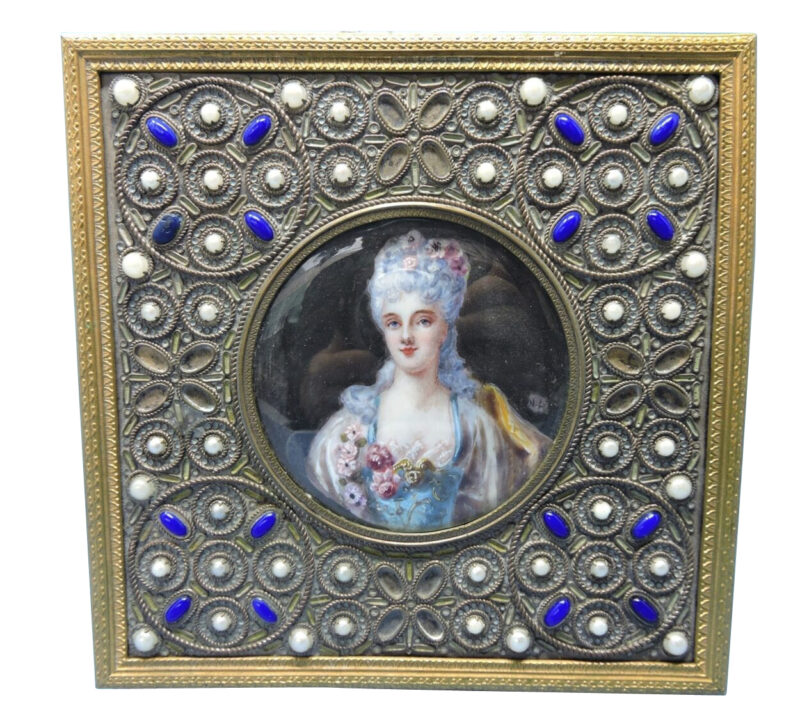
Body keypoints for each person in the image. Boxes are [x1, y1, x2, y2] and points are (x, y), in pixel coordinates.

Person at [306, 229, 551, 531]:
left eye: (422, 321)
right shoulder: (347, 430)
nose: (406, 336)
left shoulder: (475, 427)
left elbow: (487, 516)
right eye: (394, 323)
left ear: (445, 329)